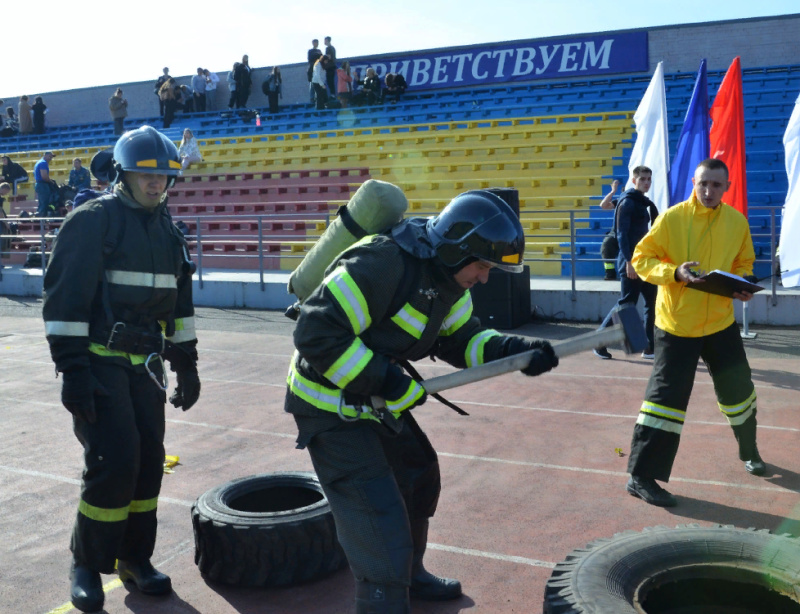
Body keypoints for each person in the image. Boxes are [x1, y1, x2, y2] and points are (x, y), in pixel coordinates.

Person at [285, 189, 559, 613]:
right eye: (482, 266)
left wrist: (515, 350)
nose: (484, 278)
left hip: (375, 397)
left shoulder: (449, 283)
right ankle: (384, 595)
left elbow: (462, 340)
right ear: (456, 250)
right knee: (380, 527)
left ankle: (411, 575)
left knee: (418, 474)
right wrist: (387, 380)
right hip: (329, 404)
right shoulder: (382, 264)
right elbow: (315, 334)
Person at [42, 125, 200, 613]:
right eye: (145, 176)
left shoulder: (168, 231)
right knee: (114, 464)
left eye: (164, 178)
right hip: (99, 363)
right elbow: (65, 302)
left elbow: (180, 305)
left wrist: (187, 362)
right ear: (123, 175)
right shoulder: (93, 221)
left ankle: (135, 558)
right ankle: (87, 563)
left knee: (149, 463)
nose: (157, 185)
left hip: (147, 368)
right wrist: (73, 372)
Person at [624, 158, 764, 509]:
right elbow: (642, 259)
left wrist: (743, 283)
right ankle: (640, 477)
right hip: (677, 325)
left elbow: (744, 263)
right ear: (693, 181)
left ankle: (750, 451)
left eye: (716, 185)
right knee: (664, 402)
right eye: (703, 183)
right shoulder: (671, 218)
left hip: (719, 323)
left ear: (726, 187)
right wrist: (674, 272)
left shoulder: (736, 221)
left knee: (739, 390)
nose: (708, 190)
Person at [594, 167, 658, 360]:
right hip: (631, 261)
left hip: (645, 261)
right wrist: (629, 262)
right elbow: (622, 234)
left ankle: (649, 348)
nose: (646, 183)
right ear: (633, 180)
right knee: (626, 304)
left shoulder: (643, 202)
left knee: (650, 303)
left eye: (649, 179)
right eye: (643, 179)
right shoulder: (628, 202)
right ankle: (599, 342)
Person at [599, 179, 621, 280]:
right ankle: (610, 274)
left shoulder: (639, 202)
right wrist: (613, 192)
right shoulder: (619, 202)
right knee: (606, 245)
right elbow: (603, 205)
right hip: (616, 232)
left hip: (631, 232)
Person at [34, 151, 58, 217]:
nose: (51, 158)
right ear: (45, 155)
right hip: (42, 185)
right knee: (44, 204)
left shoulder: (39, 162)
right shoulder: (43, 163)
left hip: (40, 185)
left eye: (52, 157)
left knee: (42, 203)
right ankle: (40, 220)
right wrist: (51, 182)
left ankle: (40, 220)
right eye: (50, 156)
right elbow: (44, 176)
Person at [307, 39, 323, 105]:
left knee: (318, 84)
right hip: (312, 69)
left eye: (317, 43)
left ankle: (317, 98)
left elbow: (322, 58)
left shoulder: (319, 51)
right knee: (312, 84)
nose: (316, 44)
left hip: (318, 69)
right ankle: (312, 98)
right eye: (315, 42)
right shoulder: (310, 51)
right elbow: (310, 59)